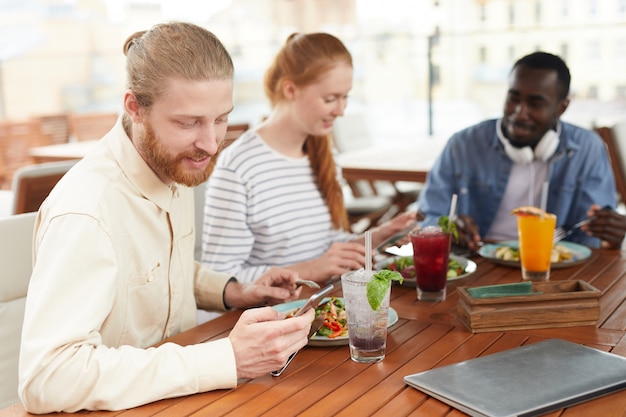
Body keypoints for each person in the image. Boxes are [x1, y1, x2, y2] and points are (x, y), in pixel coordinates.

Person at [18, 22, 315, 414]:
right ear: (134, 108)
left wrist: (232, 290)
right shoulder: (88, 212)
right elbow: (47, 378)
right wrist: (226, 359)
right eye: (188, 122)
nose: (210, 144)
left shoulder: (171, 165)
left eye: (221, 119)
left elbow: (154, 272)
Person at [200, 32, 416, 285]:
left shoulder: (325, 156)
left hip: (325, 309)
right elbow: (220, 280)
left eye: (345, 97)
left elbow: (327, 251)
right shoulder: (239, 168)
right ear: (290, 89)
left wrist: (380, 235)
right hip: (269, 317)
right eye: (330, 98)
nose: (341, 110)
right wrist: (310, 270)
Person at [418, 51, 626, 251]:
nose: (519, 113)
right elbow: (427, 215)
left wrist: (610, 235)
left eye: (535, 104)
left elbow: (592, 237)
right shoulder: (463, 144)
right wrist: (447, 226)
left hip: (555, 267)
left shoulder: (587, 149)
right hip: (478, 261)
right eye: (513, 99)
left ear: (561, 107)